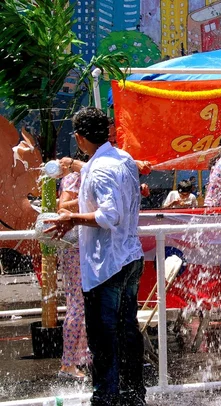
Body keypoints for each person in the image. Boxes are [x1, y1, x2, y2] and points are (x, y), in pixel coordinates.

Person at [44, 107, 146, 406]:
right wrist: (73, 209)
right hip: (129, 258)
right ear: (108, 131)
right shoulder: (121, 158)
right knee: (127, 331)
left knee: (104, 338)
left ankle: (106, 398)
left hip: (107, 265)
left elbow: (108, 215)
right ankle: (132, 395)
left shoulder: (101, 168)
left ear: (78, 137)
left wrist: (72, 219)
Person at [57, 149, 91, 381]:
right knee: (77, 305)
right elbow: (63, 206)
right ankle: (67, 363)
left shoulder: (90, 176)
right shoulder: (73, 177)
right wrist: (90, 201)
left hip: (88, 245)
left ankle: (84, 357)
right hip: (77, 246)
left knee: (89, 304)